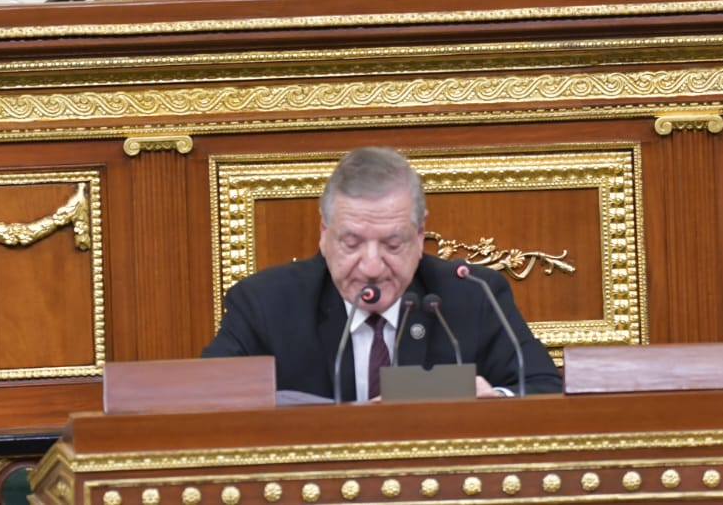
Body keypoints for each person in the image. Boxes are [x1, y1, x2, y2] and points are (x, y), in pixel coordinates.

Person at [201, 146, 564, 400]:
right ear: (325, 234)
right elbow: (205, 401)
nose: (372, 267)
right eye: (352, 244)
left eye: (392, 245)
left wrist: (493, 400)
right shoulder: (266, 303)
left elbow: (543, 389)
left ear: (420, 236)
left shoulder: (474, 294)